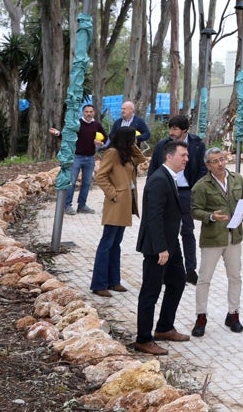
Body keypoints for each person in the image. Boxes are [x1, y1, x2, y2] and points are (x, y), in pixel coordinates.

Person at [133, 138, 190, 356]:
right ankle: (143, 338)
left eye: (187, 156)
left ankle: (165, 327)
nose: (186, 159)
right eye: (182, 155)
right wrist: (161, 248)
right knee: (150, 291)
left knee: (177, 281)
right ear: (169, 156)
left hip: (170, 243)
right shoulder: (158, 179)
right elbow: (153, 216)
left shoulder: (171, 177)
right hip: (158, 247)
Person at [189, 147, 243, 336]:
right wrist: (211, 216)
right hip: (212, 238)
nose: (221, 164)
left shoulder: (237, 179)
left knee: (235, 276)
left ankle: (233, 313)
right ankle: (201, 315)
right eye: (216, 161)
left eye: (222, 159)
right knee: (204, 278)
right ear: (208, 165)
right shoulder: (201, 186)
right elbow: (194, 210)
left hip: (234, 235)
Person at [150, 114, 207, 284]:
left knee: (187, 231)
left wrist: (194, 190)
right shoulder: (163, 145)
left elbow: (203, 170)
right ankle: (164, 269)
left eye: (175, 128)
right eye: (170, 128)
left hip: (186, 192)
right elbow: (153, 169)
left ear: (184, 130)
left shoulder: (197, 144)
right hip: (167, 191)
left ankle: (190, 269)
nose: (171, 132)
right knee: (167, 230)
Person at [89, 125, 145, 297]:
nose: (136, 141)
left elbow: (141, 158)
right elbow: (100, 176)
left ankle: (114, 281)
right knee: (107, 244)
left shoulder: (125, 153)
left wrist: (131, 145)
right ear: (125, 139)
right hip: (116, 203)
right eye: (133, 138)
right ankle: (99, 284)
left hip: (125, 204)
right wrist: (113, 194)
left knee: (115, 244)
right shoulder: (112, 153)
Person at [49, 103, 105, 214]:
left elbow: (106, 138)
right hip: (76, 157)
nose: (89, 114)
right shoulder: (77, 124)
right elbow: (67, 136)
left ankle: (82, 206)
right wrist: (58, 133)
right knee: (72, 182)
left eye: (90, 112)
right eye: (86, 111)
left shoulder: (97, 125)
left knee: (87, 183)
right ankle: (67, 206)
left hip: (90, 158)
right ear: (82, 112)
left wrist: (101, 143)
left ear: (93, 113)